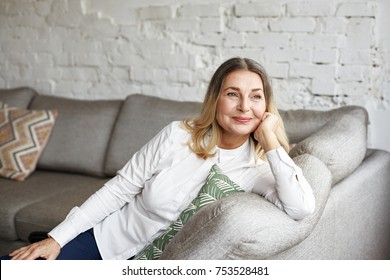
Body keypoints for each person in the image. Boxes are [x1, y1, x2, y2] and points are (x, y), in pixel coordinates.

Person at [2, 57, 315, 260]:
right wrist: (56, 239)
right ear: (215, 99)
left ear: (266, 106)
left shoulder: (260, 168)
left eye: (256, 96)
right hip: (104, 243)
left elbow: (301, 208)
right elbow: (119, 189)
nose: (244, 106)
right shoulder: (177, 135)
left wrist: (271, 140)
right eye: (233, 93)